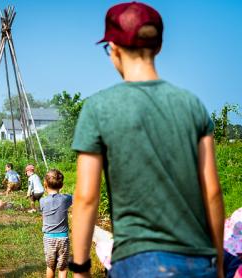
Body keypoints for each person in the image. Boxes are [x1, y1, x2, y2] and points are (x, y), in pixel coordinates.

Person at [70, 2, 225, 277]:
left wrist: (80, 268)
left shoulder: (99, 108)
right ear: (159, 47)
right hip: (198, 261)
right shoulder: (192, 105)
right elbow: (211, 192)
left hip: (137, 262)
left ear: (114, 49)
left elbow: (85, 197)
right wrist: (218, 265)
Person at [40, 169, 72, 278]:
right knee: (62, 268)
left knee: (50, 267)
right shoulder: (66, 199)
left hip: (48, 238)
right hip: (63, 238)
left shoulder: (42, 201)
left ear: (45, 184)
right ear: (61, 184)